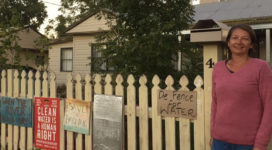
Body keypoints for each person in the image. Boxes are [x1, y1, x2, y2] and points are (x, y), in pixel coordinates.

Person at [210, 24, 272, 150]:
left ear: (251, 44)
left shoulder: (261, 68)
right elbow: (215, 103)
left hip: (248, 143)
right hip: (219, 141)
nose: (239, 42)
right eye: (235, 37)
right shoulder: (218, 68)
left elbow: (269, 106)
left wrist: (261, 143)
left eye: (245, 38)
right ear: (228, 42)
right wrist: (212, 133)